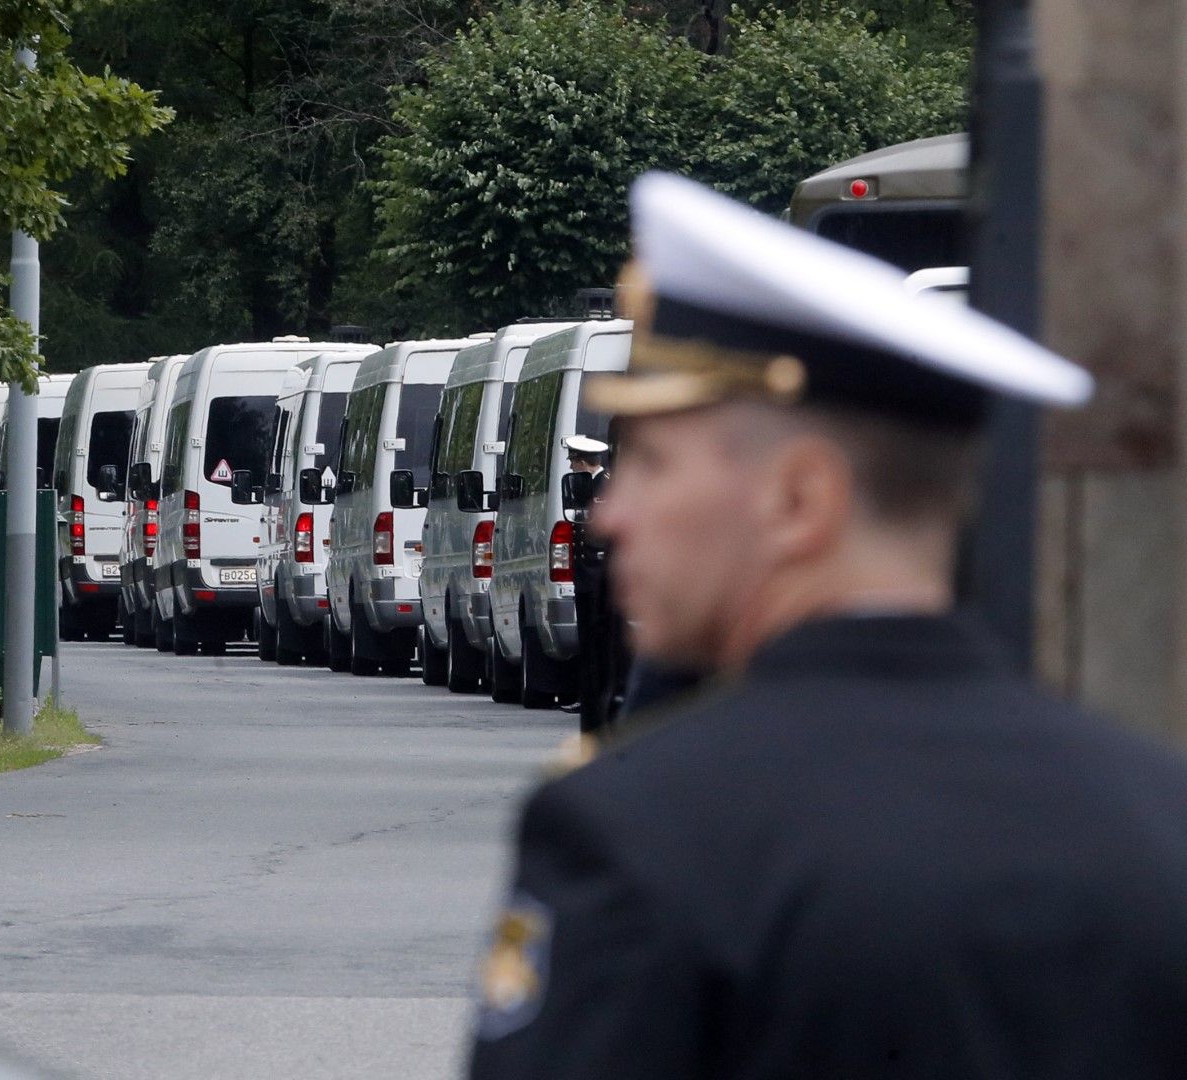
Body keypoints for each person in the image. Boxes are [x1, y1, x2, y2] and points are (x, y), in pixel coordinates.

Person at [469, 172, 1187, 1078]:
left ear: (801, 498)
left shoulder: (644, 831)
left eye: (652, 465)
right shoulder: (1157, 816)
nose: (613, 516)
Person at [561, 436, 616, 729]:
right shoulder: (587, 486)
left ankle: (597, 695)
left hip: (599, 570)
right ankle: (588, 694)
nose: (571, 465)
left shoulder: (605, 485)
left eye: (573, 460)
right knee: (587, 637)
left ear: (583, 462)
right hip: (586, 571)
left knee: (597, 639)